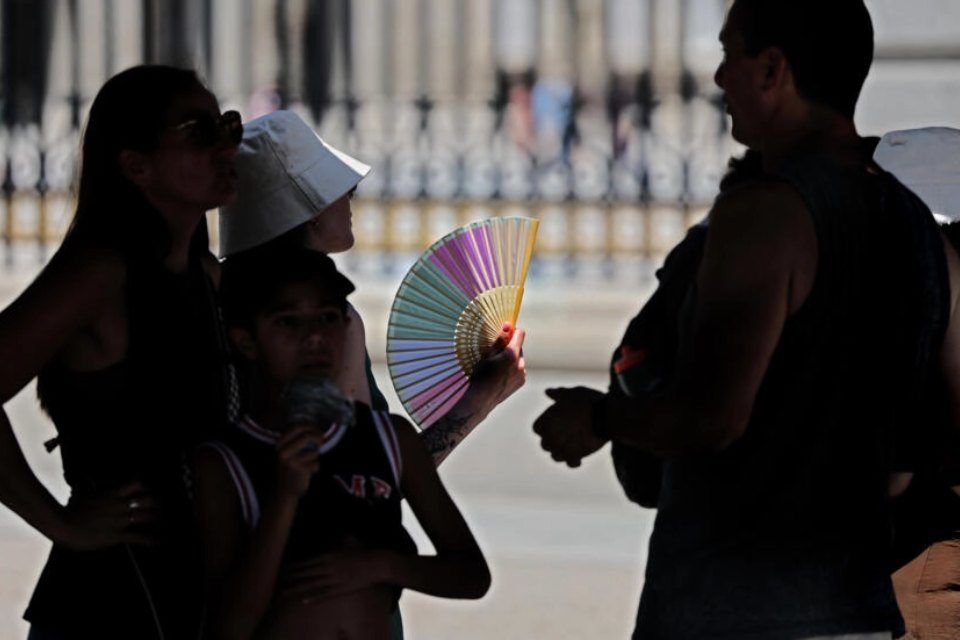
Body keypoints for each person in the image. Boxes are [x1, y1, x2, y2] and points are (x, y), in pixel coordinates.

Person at [533, 1, 960, 638]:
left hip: (735, 608)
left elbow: (713, 417)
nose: (718, 78)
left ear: (771, 70)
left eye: (729, 54)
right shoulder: (918, 229)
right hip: (858, 608)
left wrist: (598, 418)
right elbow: (939, 431)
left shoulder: (765, 215)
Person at [0, 66, 241, 638]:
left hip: (194, 591)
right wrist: (59, 521)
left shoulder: (206, 276)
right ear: (135, 165)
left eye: (226, 125)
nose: (226, 146)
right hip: (108, 599)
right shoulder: (102, 274)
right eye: (198, 132)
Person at [195, 247, 490, 640]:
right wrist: (284, 498)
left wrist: (379, 566)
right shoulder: (224, 462)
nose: (315, 337)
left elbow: (472, 576)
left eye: (328, 318)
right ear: (246, 341)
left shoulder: (389, 439)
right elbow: (227, 628)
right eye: (288, 322)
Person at [219, 109, 526, 466]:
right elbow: (376, 480)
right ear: (312, 208)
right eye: (338, 186)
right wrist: (482, 397)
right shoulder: (330, 321)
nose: (350, 193)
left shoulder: (219, 292)